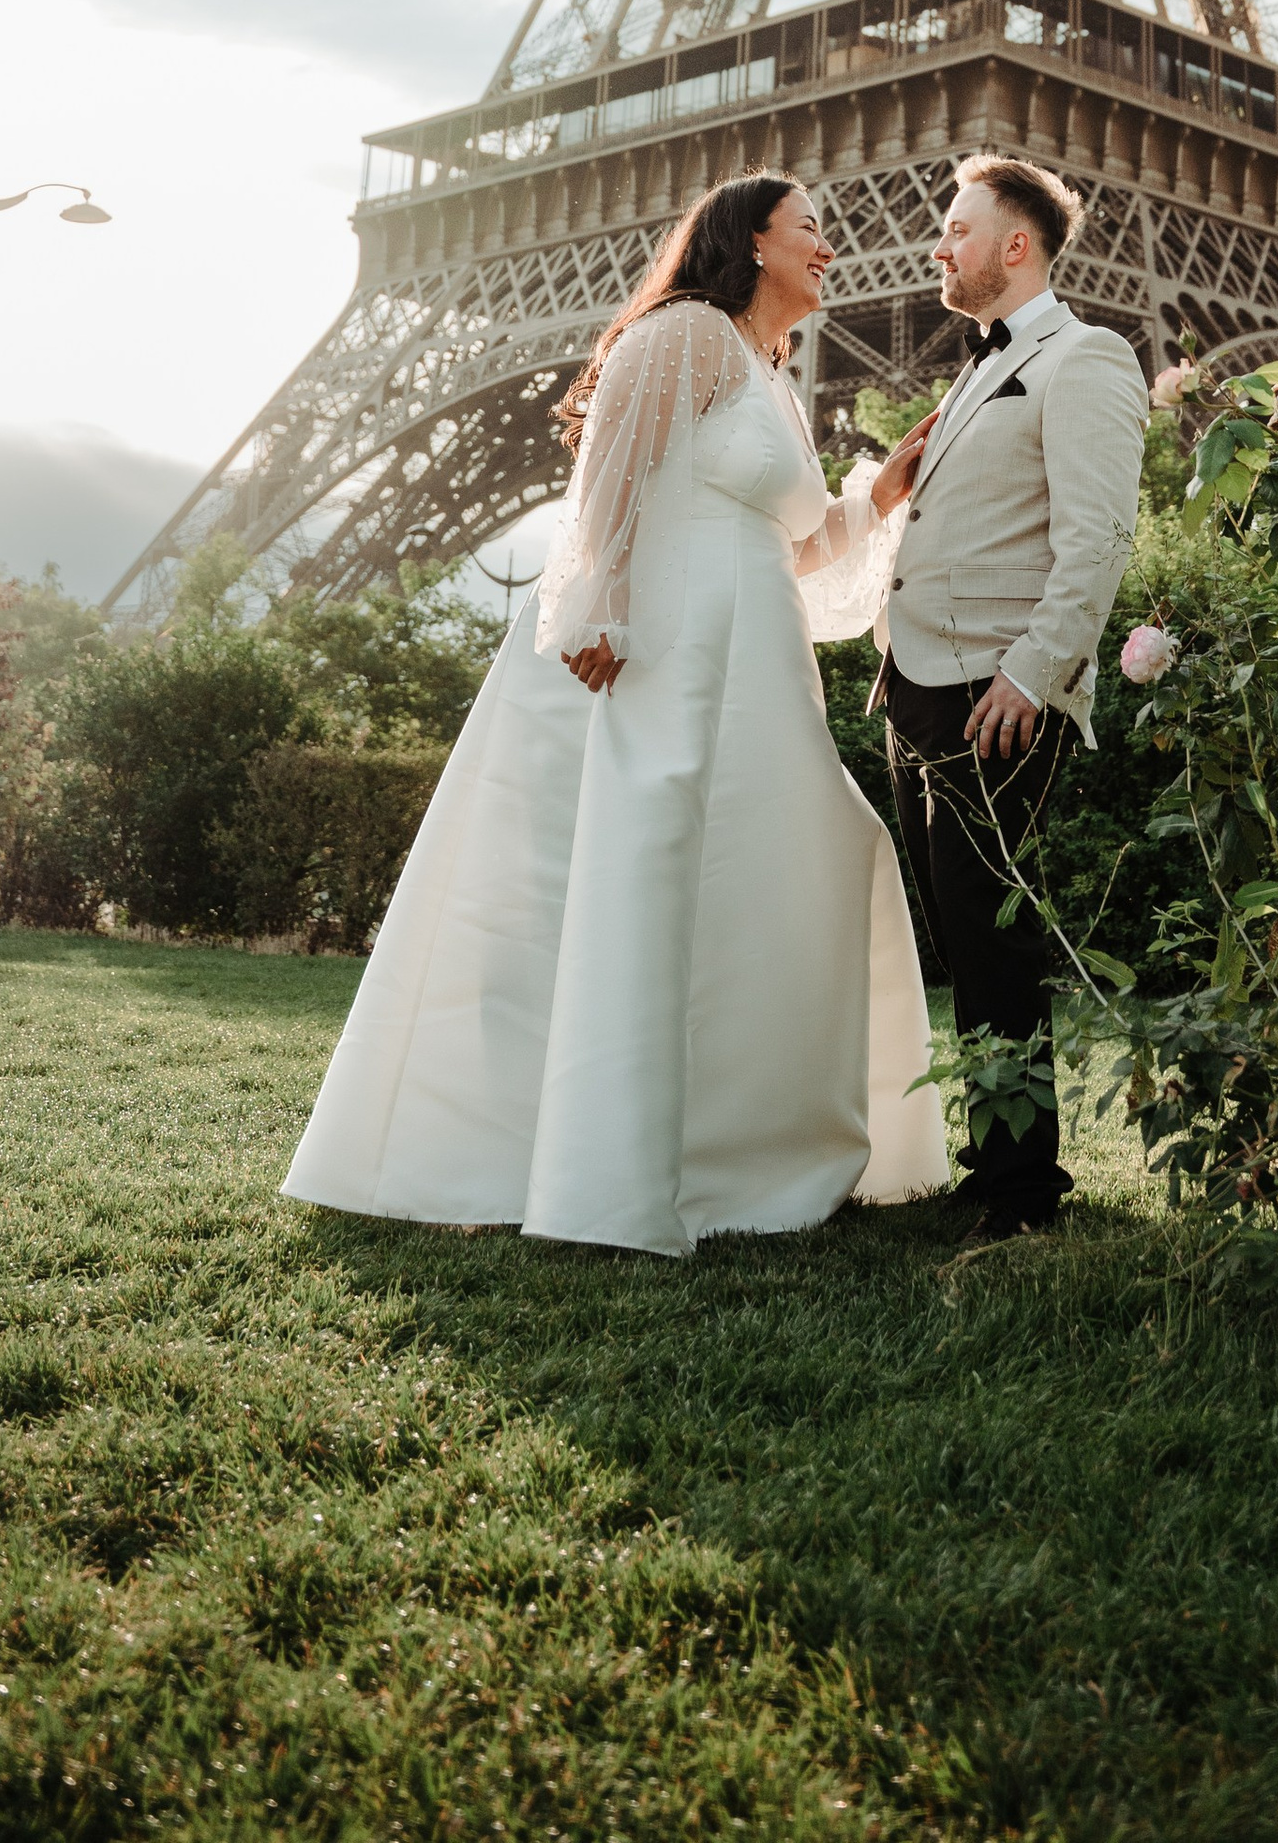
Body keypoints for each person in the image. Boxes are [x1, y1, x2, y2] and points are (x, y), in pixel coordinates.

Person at [281, 172, 948, 1254]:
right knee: (645, 876)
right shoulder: (682, 335)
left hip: (755, 662)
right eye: (812, 229)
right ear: (751, 241)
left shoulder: (770, 376)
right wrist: (599, 609)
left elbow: (795, 546)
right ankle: (613, 1173)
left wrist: (877, 497)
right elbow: (609, 479)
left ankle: (741, 1151)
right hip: (667, 650)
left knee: (805, 861)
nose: (833, 247)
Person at [875, 156, 1150, 1238]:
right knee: (961, 930)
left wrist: (1033, 672)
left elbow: (1097, 538)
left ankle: (1021, 1190)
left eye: (956, 230)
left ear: (1015, 246)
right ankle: (991, 1162)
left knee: (992, 933)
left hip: (995, 691)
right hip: (918, 688)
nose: (938, 248)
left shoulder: (1082, 358)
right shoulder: (980, 367)